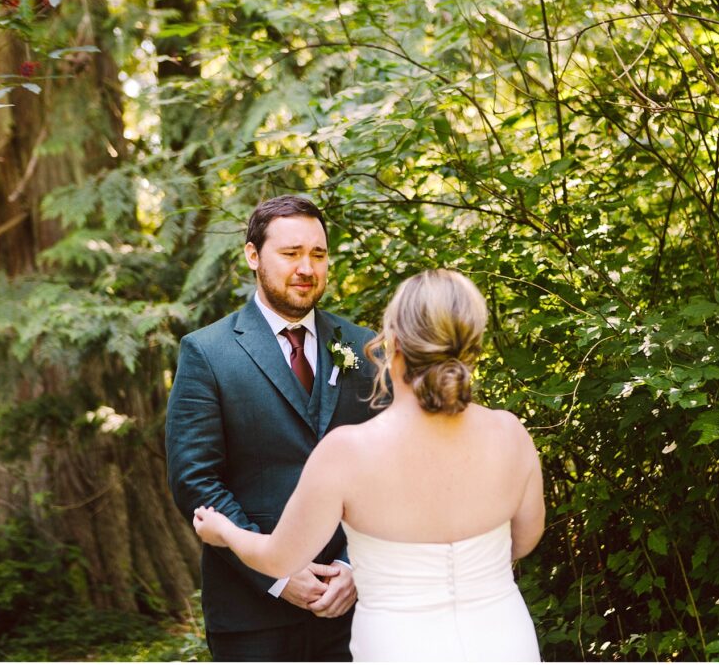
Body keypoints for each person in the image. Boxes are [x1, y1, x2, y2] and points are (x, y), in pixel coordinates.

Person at [193, 269, 545, 661]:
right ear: (472, 344)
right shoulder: (510, 433)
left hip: (400, 646)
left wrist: (225, 531)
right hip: (503, 639)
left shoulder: (348, 451)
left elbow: (279, 558)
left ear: (392, 343)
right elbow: (525, 540)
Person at [166, 195, 378, 661]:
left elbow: (389, 472)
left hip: (355, 611)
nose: (307, 267)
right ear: (252, 255)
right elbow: (195, 480)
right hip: (252, 616)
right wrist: (277, 572)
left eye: (318, 255)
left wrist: (356, 567)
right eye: (291, 253)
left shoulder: (366, 348)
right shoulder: (208, 352)